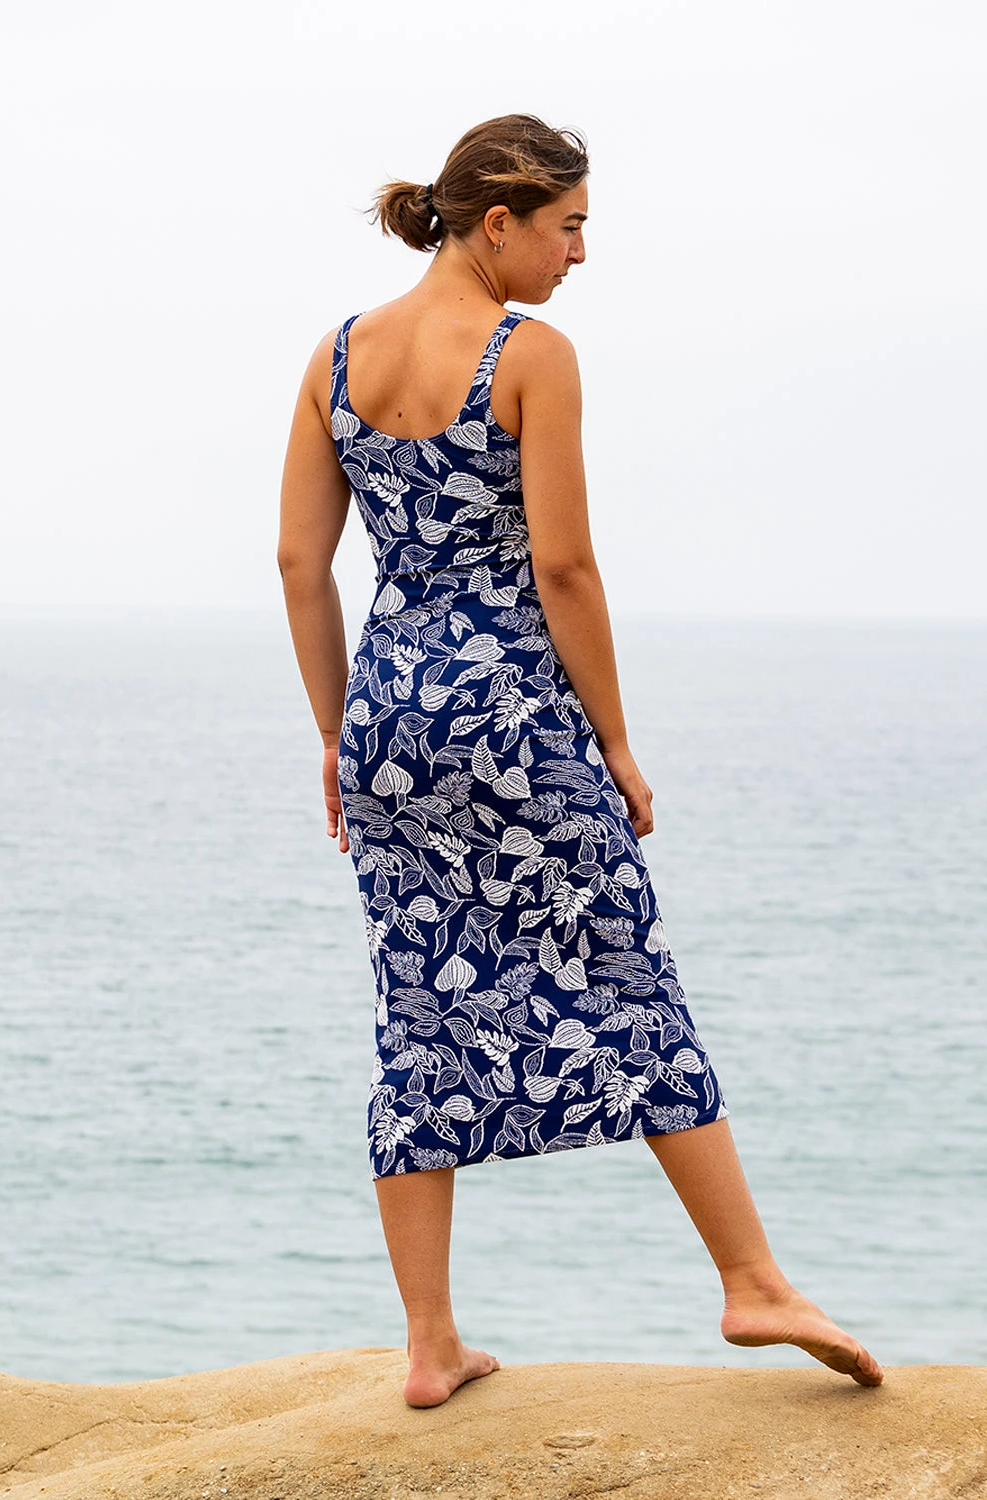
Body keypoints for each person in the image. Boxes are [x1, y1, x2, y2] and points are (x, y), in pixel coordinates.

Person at [278, 113, 883, 1408]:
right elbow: (562, 565)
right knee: (623, 969)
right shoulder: (529, 354)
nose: (580, 254)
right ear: (498, 223)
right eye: (569, 227)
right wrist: (612, 739)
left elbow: (298, 564)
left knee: (420, 1004)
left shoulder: (336, 355)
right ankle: (753, 1282)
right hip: (514, 715)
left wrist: (335, 733)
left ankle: (429, 1343)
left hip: (390, 716)